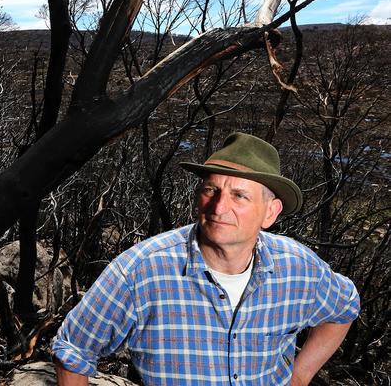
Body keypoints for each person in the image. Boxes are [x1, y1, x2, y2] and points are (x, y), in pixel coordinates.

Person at [52, 132, 359, 386]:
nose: (218, 207)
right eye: (211, 190)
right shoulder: (140, 272)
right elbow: (73, 349)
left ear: (270, 212)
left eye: (239, 196)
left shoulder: (299, 269)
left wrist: (300, 377)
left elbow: (344, 306)